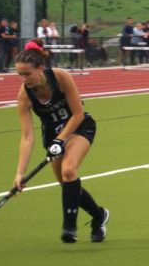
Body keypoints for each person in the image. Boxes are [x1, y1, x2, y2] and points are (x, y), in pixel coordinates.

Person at [13, 44, 109, 244]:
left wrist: (61, 139)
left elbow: (78, 113)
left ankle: (69, 227)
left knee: (68, 170)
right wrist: (19, 173)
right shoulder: (24, 95)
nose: (23, 79)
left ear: (39, 69)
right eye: (19, 74)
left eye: (27, 74)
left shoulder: (61, 77)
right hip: (51, 136)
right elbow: (27, 137)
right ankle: (99, 215)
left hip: (78, 127)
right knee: (67, 184)